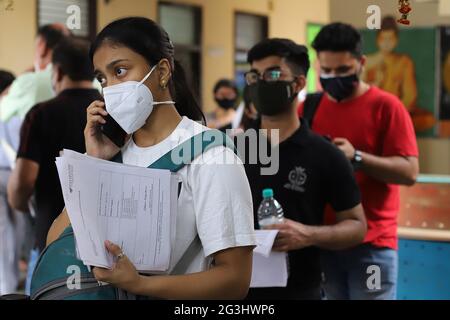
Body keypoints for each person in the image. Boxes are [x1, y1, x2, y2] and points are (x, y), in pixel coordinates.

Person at [46, 17, 255, 300]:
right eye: (102, 78)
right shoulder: (110, 154)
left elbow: (234, 280)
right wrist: (94, 163)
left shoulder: (211, 156)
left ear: (163, 72)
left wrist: (141, 285)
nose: (110, 88)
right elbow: (56, 244)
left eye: (120, 71)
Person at [300, 22, 419, 300]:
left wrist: (357, 157)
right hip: (323, 241)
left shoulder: (386, 107)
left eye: (343, 70)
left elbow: (409, 172)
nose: (333, 77)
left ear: (361, 63)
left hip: (373, 245)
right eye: (326, 71)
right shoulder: (308, 108)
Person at [241, 38, 366, 300]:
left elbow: (356, 226)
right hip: (232, 290)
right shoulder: (229, 148)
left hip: (299, 290)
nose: (262, 82)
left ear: (298, 84)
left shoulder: (325, 154)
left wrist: (308, 234)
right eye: (255, 75)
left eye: (273, 74)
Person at [7, 39, 102, 295]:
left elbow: (22, 185)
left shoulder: (41, 114)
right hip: (105, 250)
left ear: (57, 72)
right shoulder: (108, 111)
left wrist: (22, 207)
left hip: (51, 241)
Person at [362, 16, 435, 132]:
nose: (386, 43)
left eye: (390, 39)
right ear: (377, 40)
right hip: (373, 113)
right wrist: (377, 82)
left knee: (428, 119)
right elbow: (361, 94)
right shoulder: (367, 62)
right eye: (383, 39)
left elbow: (410, 96)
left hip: (397, 112)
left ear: (396, 40)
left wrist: (394, 114)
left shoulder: (404, 62)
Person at [0, 24, 71, 122]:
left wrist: (22, 78)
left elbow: (2, 110)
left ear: (42, 46)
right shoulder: (88, 80)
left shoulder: (29, 82)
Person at [0, 70, 19, 295]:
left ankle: (6, 286)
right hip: (13, 174)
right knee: (19, 230)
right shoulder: (14, 110)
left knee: (3, 233)